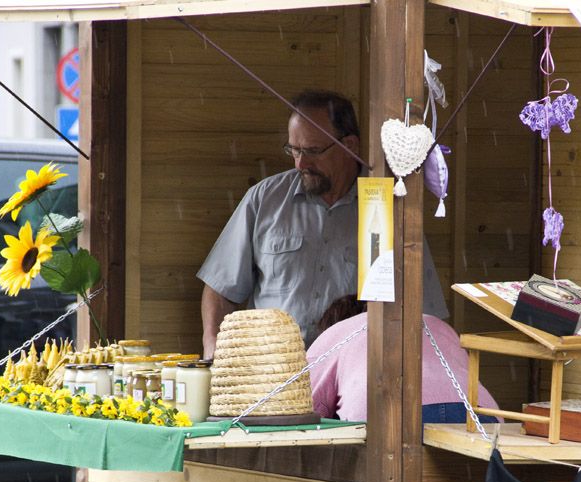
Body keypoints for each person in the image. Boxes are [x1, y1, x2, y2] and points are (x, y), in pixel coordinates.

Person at [197, 89, 448, 357]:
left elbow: (426, 311)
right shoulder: (264, 199)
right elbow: (221, 289)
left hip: (354, 372)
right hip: (270, 370)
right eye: (294, 150)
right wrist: (213, 347)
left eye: (313, 151)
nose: (300, 163)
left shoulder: (385, 208)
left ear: (349, 146)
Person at [307, 295, 498, 423]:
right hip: (481, 415)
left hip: (389, 419)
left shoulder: (334, 334)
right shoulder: (438, 325)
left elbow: (305, 409)